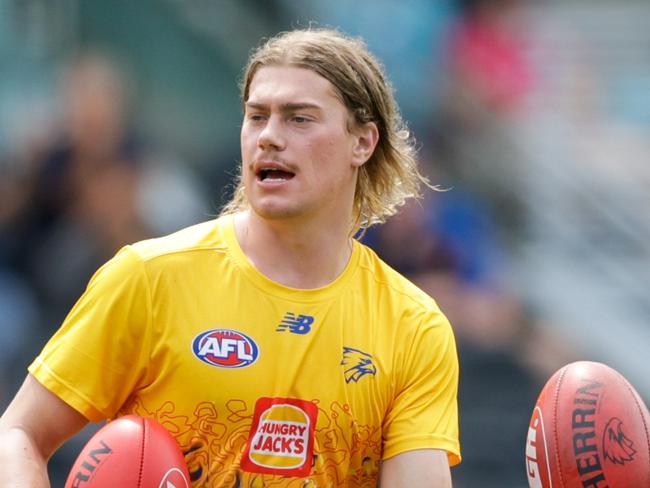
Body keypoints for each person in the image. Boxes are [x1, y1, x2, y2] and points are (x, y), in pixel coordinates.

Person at [0, 28, 461, 487]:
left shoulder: (413, 327)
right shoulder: (148, 277)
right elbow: (18, 432)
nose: (269, 137)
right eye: (257, 117)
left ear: (362, 142)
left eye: (299, 119)